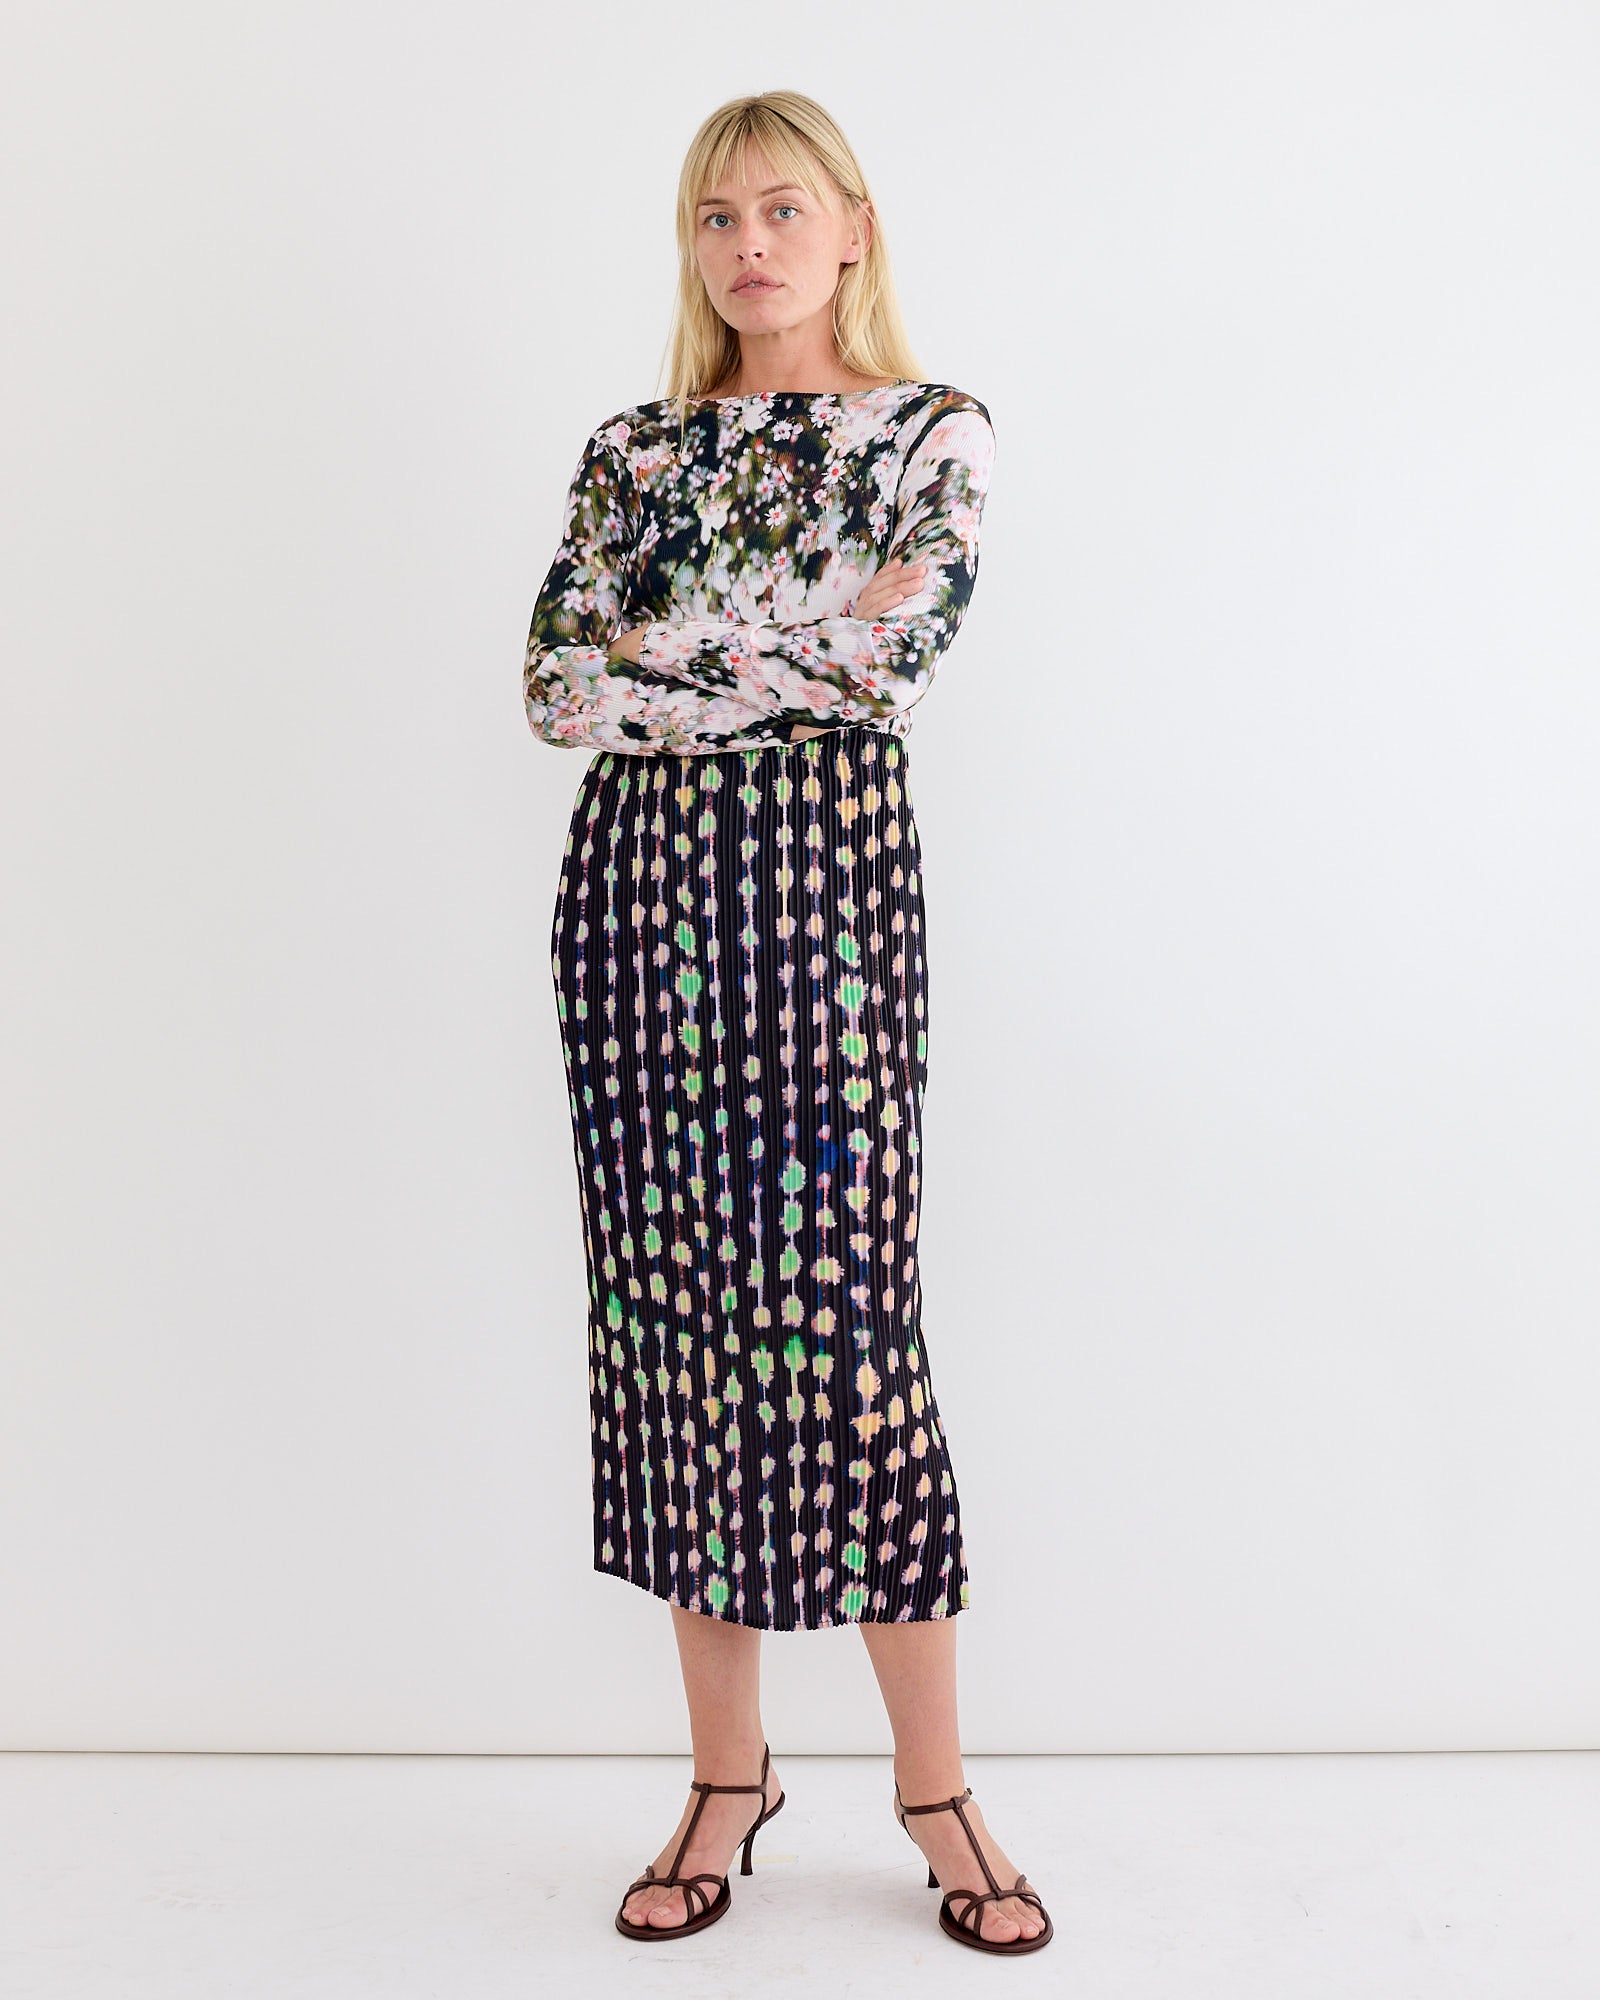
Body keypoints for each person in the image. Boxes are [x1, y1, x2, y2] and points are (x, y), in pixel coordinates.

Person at [521, 90, 1051, 1956]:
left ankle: (935, 1787)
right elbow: (556, 686)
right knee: (676, 1338)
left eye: (781, 209)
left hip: (825, 917)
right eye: (714, 217)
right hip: (638, 920)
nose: (748, 247)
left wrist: (675, 654)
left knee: (853, 1335)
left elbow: (898, 656)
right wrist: (789, 656)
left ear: (852, 227)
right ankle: (725, 1779)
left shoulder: (930, 431)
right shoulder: (634, 450)